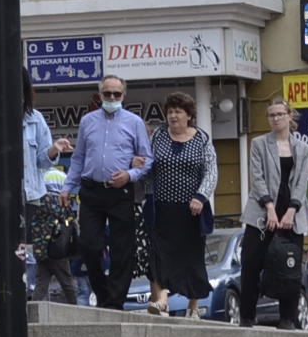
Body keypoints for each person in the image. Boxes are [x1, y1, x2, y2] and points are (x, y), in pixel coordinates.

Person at [0, 68, 67, 260]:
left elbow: (42, 162)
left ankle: (19, 286)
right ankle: (1, 280)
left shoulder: (35, 119)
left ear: (24, 89)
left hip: (26, 195)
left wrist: (54, 149)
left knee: (19, 248)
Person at [67, 75, 151, 310]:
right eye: (107, 94)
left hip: (121, 191)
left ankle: (114, 302)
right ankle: (103, 293)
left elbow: (147, 159)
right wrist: (67, 187)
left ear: (123, 96)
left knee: (122, 249)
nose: (112, 98)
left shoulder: (134, 123)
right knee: (89, 246)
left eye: (116, 94)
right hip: (92, 190)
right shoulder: (87, 121)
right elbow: (78, 158)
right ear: (100, 95)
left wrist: (130, 175)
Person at [143, 92, 216, 317]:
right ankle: (161, 301)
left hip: (191, 211)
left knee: (191, 259)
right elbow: (148, 166)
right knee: (157, 255)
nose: (173, 116)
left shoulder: (201, 138)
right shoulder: (159, 137)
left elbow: (211, 171)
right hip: (161, 208)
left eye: (178, 112)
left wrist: (201, 197)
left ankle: (193, 307)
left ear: (189, 115)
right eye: (170, 112)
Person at [241, 98, 308, 329]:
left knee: (289, 266)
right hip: (263, 213)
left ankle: (287, 318)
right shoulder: (259, 144)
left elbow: (301, 183)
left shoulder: (303, 148)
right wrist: (269, 207)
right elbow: (257, 178)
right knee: (251, 262)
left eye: (280, 114)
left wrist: (291, 210)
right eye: (271, 115)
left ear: (290, 115)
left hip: (292, 213)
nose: (276, 119)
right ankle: (248, 316)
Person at [22, 167, 80, 304]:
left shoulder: (38, 203)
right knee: (67, 283)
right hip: (56, 249)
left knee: (41, 283)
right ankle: (76, 310)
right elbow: (69, 220)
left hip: (40, 250)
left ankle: (32, 314)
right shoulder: (58, 203)